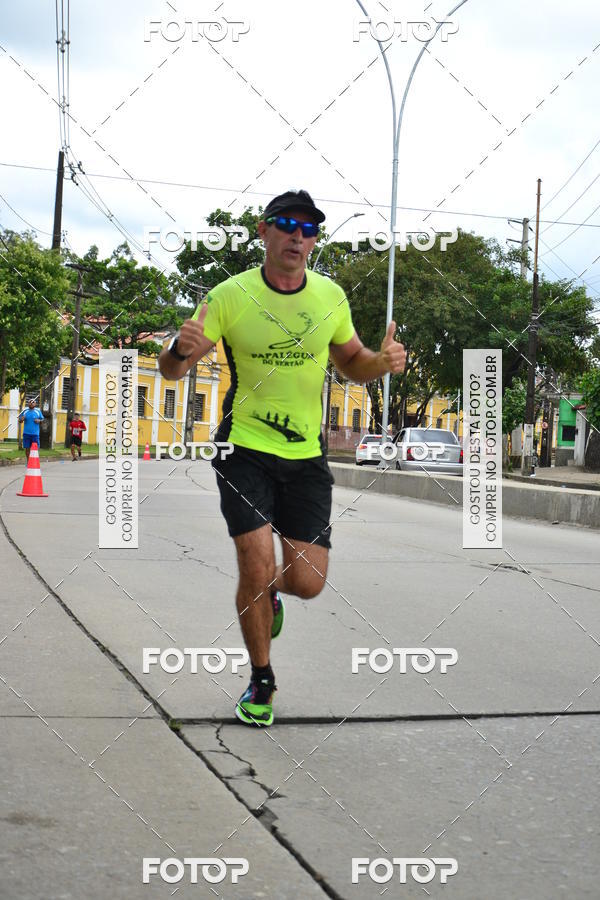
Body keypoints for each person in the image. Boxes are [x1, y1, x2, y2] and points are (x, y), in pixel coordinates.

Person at [159, 189, 406, 727]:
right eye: (288, 224)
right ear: (263, 231)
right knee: (254, 560)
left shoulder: (330, 297)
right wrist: (179, 348)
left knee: (308, 581)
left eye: (310, 229)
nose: (299, 236)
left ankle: (269, 592)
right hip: (243, 446)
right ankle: (261, 680)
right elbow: (173, 371)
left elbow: (352, 365)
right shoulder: (229, 296)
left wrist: (382, 363)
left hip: (306, 455)